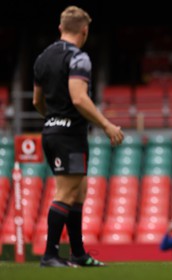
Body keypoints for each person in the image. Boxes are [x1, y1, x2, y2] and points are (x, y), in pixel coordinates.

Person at [32, 6, 124, 267]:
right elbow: (79, 97)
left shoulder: (42, 58)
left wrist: (53, 118)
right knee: (66, 191)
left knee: (78, 191)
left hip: (51, 131)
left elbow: (38, 101)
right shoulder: (78, 57)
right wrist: (106, 125)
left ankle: (78, 253)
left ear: (61, 28)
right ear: (84, 30)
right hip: (69, 134)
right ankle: (50, 254)